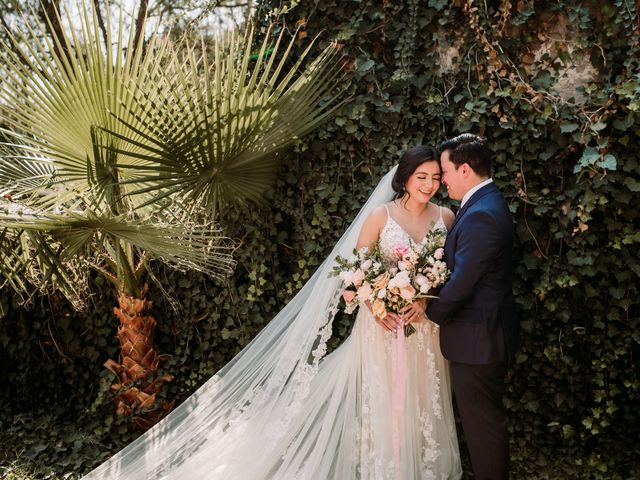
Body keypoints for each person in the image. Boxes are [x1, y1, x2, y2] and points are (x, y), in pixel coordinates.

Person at [81, 146, 462, 480]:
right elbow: (355, 273)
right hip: (382, 325)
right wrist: (379, 307)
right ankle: (387, 468)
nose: (428, 185)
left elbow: (451, 274)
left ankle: (424, 466)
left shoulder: (445, 217)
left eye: (434, 178)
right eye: (420, 177)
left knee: (424, 395)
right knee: (384, 397)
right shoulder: (382, 216)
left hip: (424, 326)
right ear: (405, 178)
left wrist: (425, 300)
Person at [423, 134, 520, 480]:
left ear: (465, 169)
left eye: (445, 172)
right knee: (482, 422)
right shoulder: (485, 203)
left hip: (478, 341)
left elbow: (464, 280)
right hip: (480, 337)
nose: (441, 179)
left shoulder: (482, 214)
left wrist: (427, 314)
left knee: (483, 426)